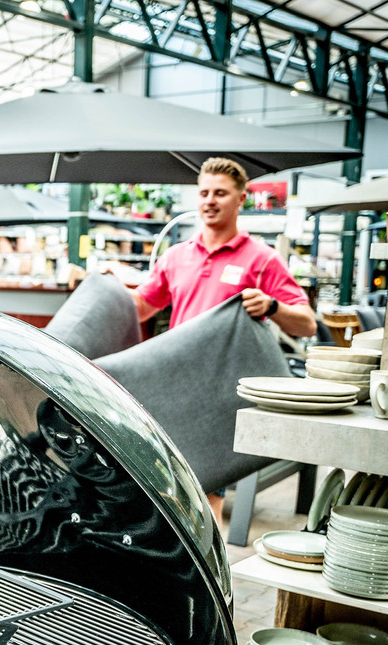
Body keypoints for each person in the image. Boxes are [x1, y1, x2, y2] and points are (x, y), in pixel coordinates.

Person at [109, 157, 316, 526]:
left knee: (206, 495)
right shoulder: (176, 257)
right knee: (159, 487)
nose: (210, 200)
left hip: (219, 395)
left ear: (241, 199)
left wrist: (271, 306)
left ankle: (211, 575)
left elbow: (307, 324)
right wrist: (105, 291)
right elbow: (141, 307)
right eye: (204, 193)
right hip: (172, 386)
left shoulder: (261, 259)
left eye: (220, 193)